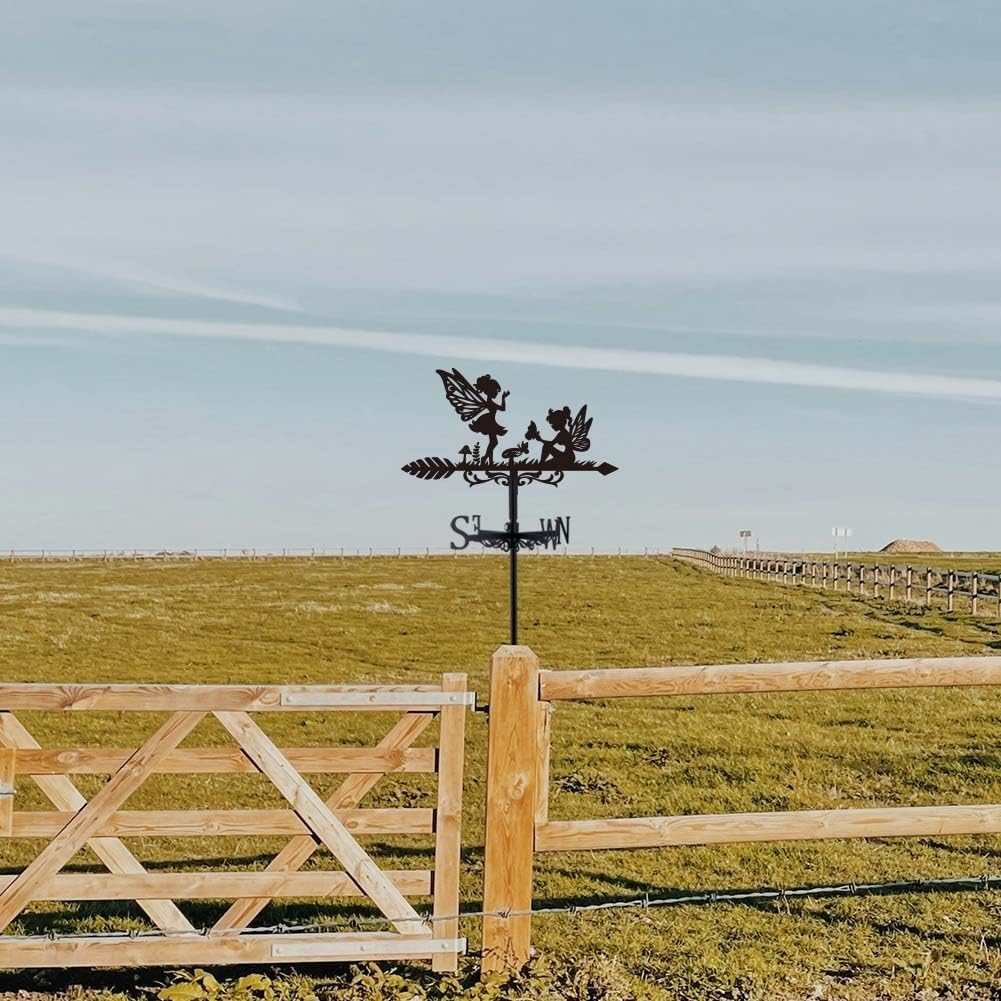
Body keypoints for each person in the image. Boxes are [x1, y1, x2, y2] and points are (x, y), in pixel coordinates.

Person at [468, 375, 509, 463]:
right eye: (496, 391)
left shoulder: (489, 401)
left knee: (493, 442)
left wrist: (503, 398)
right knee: (494, 442)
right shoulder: (489, 401)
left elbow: (502, 408)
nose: (496, 393)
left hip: (490, 420)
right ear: (490, 391)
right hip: (488, 421)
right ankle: (485, 459)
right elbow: (502, 408)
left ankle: (489, 461)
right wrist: (503, 398)